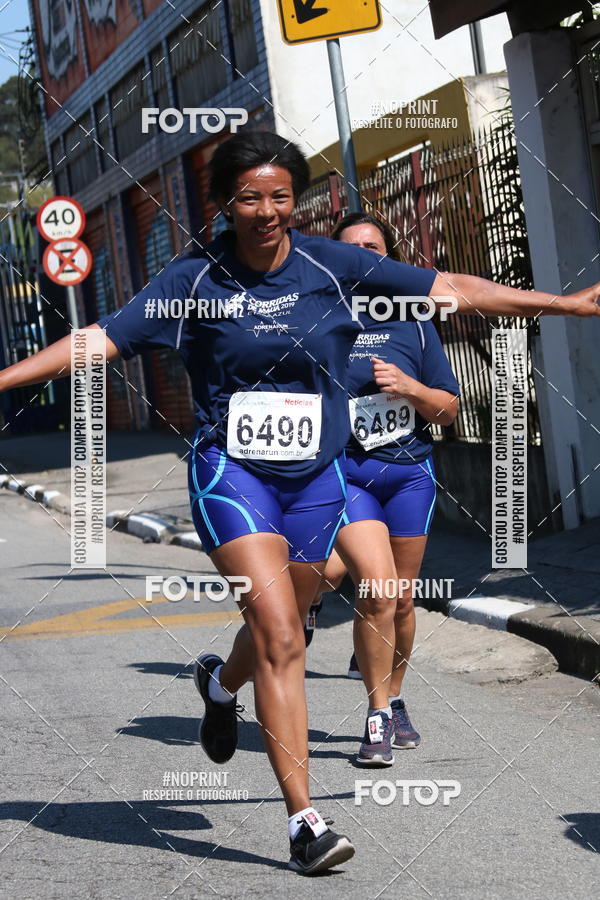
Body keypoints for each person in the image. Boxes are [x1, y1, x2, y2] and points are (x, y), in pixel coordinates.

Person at [1, 131, 599, 875]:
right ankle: (305, 824)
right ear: (224, 203)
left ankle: (221, 688)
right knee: (284, 629)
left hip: (318, 481)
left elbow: (449, 288)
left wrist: (565, 306)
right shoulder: (193, 281)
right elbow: (97, 339)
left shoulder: (333, 265)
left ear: (296, 201)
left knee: (287, 615)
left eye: (280, 196)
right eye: (249, 197)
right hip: (233, 476)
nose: (266, 211)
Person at [306, 211, 460, 765]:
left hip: (410, 473)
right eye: (354, 250)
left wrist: (410, 386)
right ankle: (375, 713)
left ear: (390, 256)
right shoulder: (320, 321)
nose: (366, 257)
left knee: (401, 597)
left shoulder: (415, 321)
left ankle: (395, 700)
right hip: (349, 472)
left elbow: (447, 410)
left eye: (375, 247)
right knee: (375, 585)